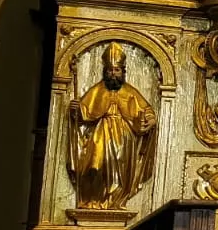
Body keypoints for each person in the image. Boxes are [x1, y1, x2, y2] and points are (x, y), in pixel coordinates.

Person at [67, 43, 158, 211]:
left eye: (117, 70)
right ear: (105, 72)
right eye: (110, 70)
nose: (113, 74)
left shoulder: (130, 92)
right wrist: (76, 110)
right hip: (101, 133)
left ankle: (115, 202)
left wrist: (151, 119)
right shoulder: (97, 90)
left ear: (123, 72)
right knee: (95, 166)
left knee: (120, 171)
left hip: (124, 137)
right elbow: (84, 113)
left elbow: (146, 110)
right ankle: (94, 201)